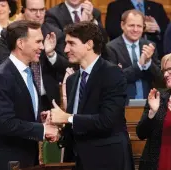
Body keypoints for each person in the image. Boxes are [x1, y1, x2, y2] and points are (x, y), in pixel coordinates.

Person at [49, 21, 134, 170]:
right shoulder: (71, 80)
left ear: (88, 44)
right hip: (78, 160)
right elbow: (77, 121)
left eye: (71, 43)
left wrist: (67, 117)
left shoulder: (112, 73)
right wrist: (59, 126)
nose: (65, 49)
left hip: (108, 160)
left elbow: (107, 120)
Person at [0, 20, 59, 170]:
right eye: (38, 42)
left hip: (27, 158)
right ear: (21, 43)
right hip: (6, 162)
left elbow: (21, 112)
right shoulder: (1, 77)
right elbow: (4, 123)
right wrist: (41, 129)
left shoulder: (28, 72)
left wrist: (39, 119)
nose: (42, 47)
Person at [0, 0, 69, 111]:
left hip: (47, 99)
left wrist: (51, 54)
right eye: (33, 10)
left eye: (42, 10)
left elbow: (66, 66)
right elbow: (2, 65)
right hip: (20, 98)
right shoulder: (10, 33)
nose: (39, 15)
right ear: (23, 10)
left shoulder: (55, 33)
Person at [106, 9, 163, 101]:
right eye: (131, 25)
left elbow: (160, 79)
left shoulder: (150, 46)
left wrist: (148, 63)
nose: (135, 30)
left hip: (149, 102)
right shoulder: (110, 48)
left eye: (139, 26)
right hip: (122, 103)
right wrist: (140, 65)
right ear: (122, 25)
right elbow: (114, 80)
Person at [105, 0, 170, 57]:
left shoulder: (157, 6)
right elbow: (112, 30)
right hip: (124, 53)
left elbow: (167, 30)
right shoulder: (115, 6)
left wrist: (157, 28)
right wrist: (143, 28)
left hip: (154, 52)